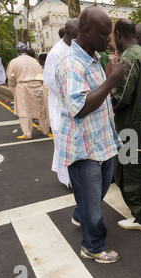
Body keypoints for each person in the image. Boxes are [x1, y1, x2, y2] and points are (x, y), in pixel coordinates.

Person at [55, 7, 127, 263]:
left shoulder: (92, 57)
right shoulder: (71, 64)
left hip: (101, 143)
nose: (109, 40)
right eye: (104, 35)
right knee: (93, 204)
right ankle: (93, 246)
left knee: (98, 192)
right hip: (83, 148)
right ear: (86, 30)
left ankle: (81, 212)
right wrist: (112, 79)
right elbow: (81, 106)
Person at [112, 18, 141, 229]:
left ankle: (140, 216)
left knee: (130, 172)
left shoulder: (129, 58)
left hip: (131, 124)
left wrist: (108, 85)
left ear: (118, 34)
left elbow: (121, 98)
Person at [43, 18, 79, 188]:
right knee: (62, 141)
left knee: (72, 142)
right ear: (66, 33)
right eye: (75, 36)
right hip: (60, 103)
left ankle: (75, 178)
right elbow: (51, 81)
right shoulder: (56, 52)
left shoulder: (74, 47)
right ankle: (68, 181)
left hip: (73, 103)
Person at [6, 42, 50, 140]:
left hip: (23, 87)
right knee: (41, 110)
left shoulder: (14, 62)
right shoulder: (34, 61)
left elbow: (11, 78)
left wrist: (14, 90)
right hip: (37, 86)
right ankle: (45, 130)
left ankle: (27, 133)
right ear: (26, 50)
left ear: (17, 51)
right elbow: (42, 75)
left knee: (24, 111)